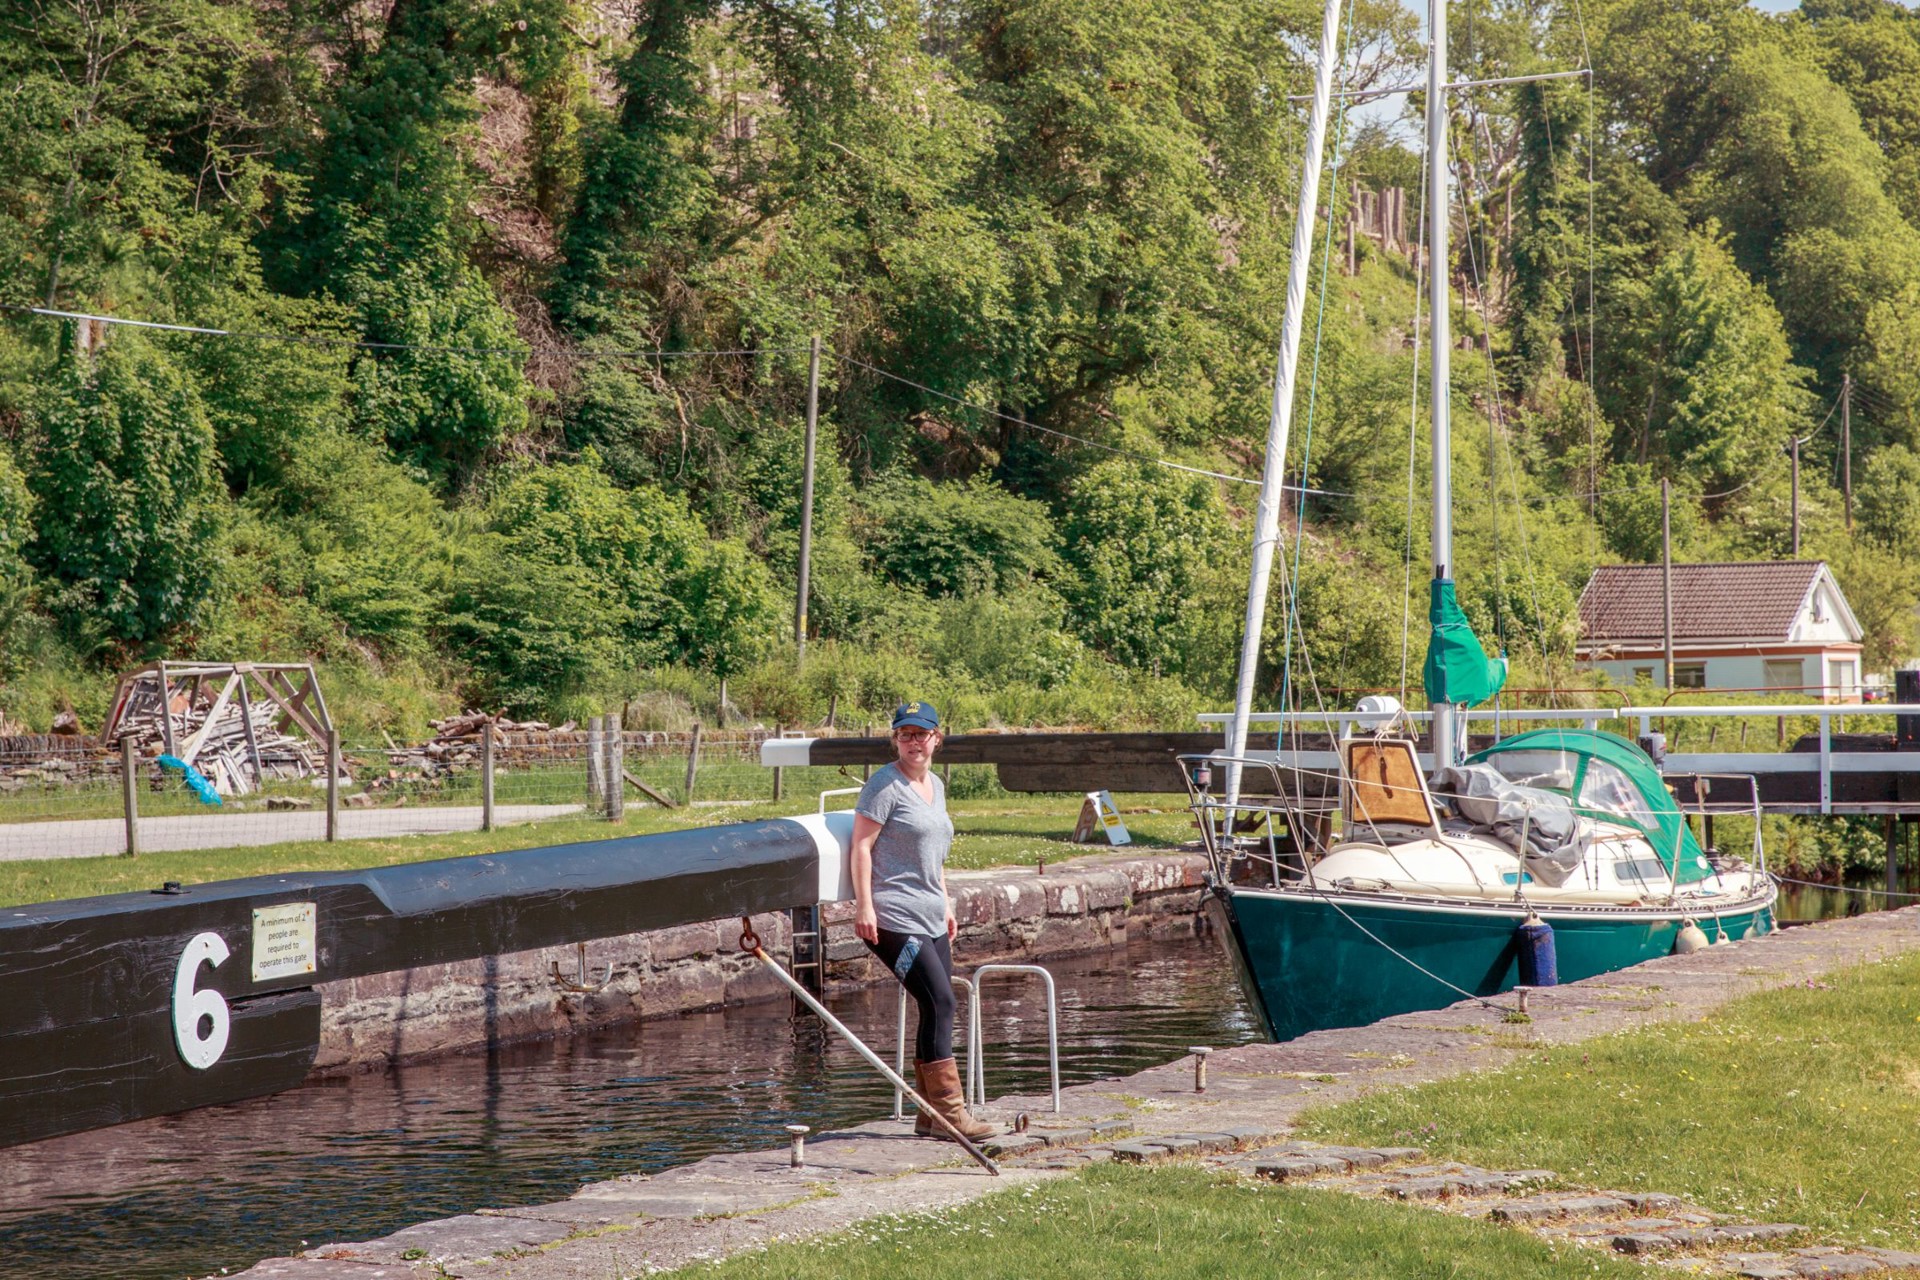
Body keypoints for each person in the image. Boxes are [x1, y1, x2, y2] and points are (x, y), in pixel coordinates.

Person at [852, 700, 994, 1141]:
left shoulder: (935, 784)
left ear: (937, 738)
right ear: (896, 739)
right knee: (942, 1002)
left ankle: (930, 1116)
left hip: (932, 914)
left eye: (922, 733)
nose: (914, 741)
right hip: (894, 916)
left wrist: (946, 903)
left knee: (933, 1006)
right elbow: (861, 848)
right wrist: (864, 906)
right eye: (905, 733)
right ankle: (953, 1115)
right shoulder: (883, 786)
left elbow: (935, 854)